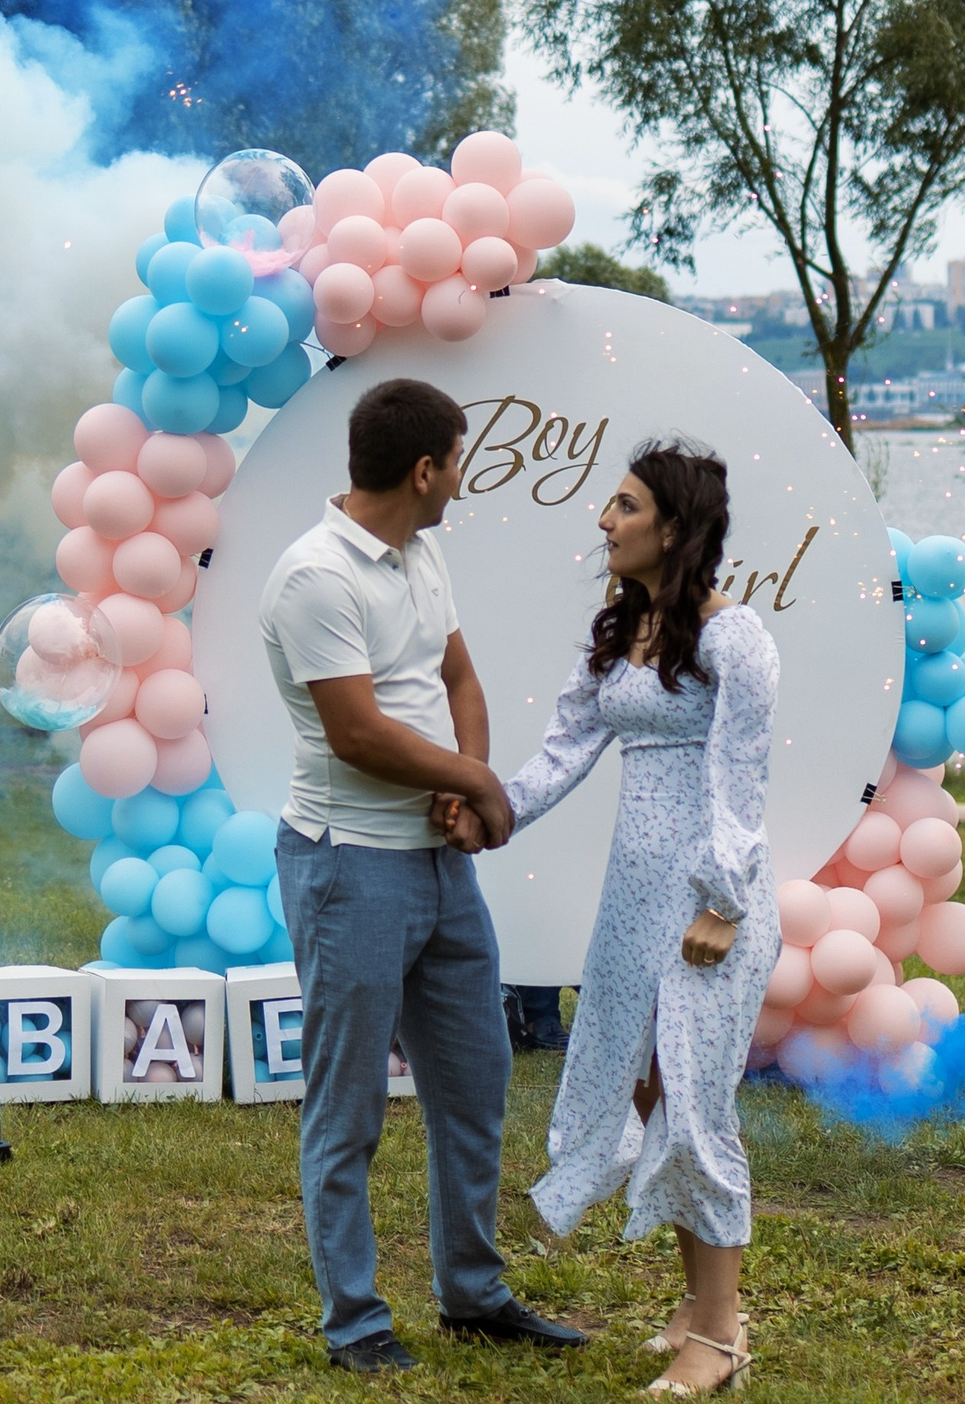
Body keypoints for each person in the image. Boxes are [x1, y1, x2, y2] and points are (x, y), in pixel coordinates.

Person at [258, 377, 588, 1375]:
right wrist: (476, 783)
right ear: (423, 469)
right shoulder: (314, 578)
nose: (463, 477)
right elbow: (355, 734)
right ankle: (354, 1321)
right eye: (459, 459)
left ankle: (472, 1293)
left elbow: (456, 681)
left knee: (476, 1078)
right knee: (348, 1103)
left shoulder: (420, 550)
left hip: (438, 867)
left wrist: (459, 790)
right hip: (347, 867)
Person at [462, 438, 781, 1396]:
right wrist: (490, 810)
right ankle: (696, 1302)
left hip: (707, 905)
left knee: (693, 1099)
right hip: (632, 900)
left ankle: (719, 1340)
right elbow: (561, 752)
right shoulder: (619, 633)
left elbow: (740, 782)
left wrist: (722, 902)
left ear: (675, 529)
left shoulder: (735, 639)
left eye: (626, 505)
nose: (605, 519)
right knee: (648, 1091)